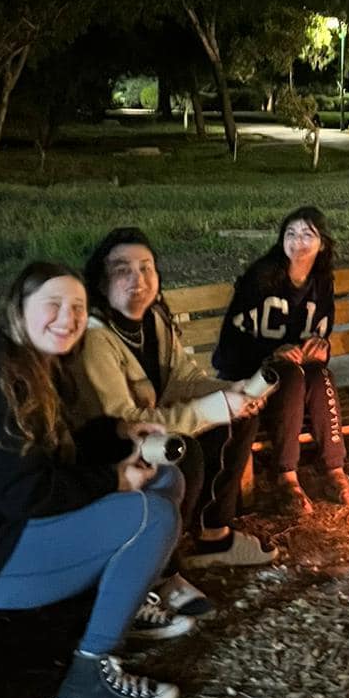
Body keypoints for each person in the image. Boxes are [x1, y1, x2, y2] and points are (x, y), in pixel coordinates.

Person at [0, 262, 184, 698]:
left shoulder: (38, 365)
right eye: (52, 304)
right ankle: (89, 673)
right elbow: (24, 492)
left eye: (78, 307)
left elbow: (57, 455)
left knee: (166, 478)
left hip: (13, 529)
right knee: (149, 516)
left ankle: (124, 600)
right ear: (19, 309)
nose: (67, 318)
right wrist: (115, 480)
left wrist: (120, 433)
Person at [74, 227, 275, 575]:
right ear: (102, 282)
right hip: (111, 447)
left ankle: (214, 535)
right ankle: (158, 566)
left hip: (157, 426)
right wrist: (214, 407)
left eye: (146, 267)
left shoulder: (154, 319)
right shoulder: (96, 339)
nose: (138, 279)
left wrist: (231, 389)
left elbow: (184, 378)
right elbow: (125, 421)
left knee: (241, 417)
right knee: (186, 449)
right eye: (122, 269)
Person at [212, 207, 349, 514]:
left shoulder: (321, 282)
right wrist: (270, 354)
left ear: (323, 243)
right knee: (290, 374)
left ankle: (334, 471)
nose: (298, 242)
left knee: (321, 375)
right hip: (251, 376)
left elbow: (320, 334)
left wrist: (321, 348)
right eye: (290, 234)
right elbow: (228, 347)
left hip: (297, 377)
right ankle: (286, 478)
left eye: (308, 234)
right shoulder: (261, 278)